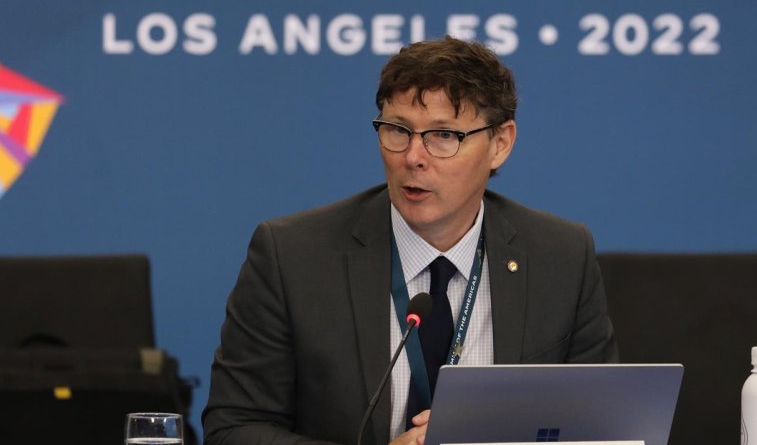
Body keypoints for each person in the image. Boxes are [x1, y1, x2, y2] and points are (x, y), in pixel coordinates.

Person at [202, 37, 618, 445]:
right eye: (398, 130)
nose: (413, 156)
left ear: (500, 144)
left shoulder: (561, 256)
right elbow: (234, 427)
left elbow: (600, 426)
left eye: (443, 136)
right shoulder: (292, 256)